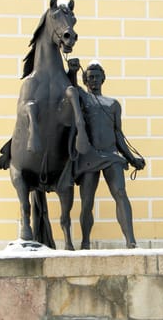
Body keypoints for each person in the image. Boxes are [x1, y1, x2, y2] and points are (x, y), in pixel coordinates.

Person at [68, 59, 145, 249]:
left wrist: (131, 158)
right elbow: (70, 86)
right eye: (90, 77)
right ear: (85, 80)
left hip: (111, 155)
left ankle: (131, 241)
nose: (94, 80)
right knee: (87, 201)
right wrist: (72, 71)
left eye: (97, 77)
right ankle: (85, 242)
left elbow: (118, 135)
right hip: (89, 156)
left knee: (120, 193)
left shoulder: (113, 104)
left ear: (103, 79)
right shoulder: (83, 97)